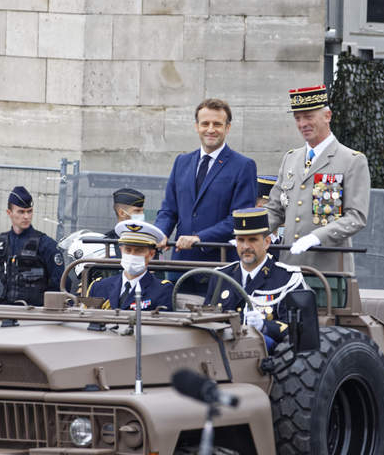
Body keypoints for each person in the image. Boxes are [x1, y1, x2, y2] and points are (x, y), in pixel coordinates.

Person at [265, 85, 370, 274]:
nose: (302, 124)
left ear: (327, 116)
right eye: (298, 118)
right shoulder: (291, 158)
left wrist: (316, 237)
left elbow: (356, 217)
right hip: (289, 265)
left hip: (327, 269)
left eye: (308, 117)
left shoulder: (351, 160)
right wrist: (248, 233)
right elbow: (275, 209)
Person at [155, 98, 257, 288]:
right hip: (180, 265)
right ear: (197, 127)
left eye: (217, 124)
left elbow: (238, 219)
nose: (211, 129)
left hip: (220, 266)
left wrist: (200, 238)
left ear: (228, 128)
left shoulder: (243, 166)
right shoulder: (182, 162)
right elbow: (169, 210)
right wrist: (160, 232)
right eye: (205, 124)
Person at [205, 208, 306, 348]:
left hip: (271, 360)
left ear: (267, 242)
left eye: (252, 240)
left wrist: (265, 326)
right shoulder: (221, 277)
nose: (246, 246)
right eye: (241, 240)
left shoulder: (288, 279)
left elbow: (299, 331)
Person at [0, 186, 64, 306]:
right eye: (21, 212)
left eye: (29, 211)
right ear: (9, 213)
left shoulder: (46, 245)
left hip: (33, 315)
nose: (26, 216)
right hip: (1, 313)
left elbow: (60, 283)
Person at [87, 220, 173, 311]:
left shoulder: (162, 290)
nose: (132, 255)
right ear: (121, 250)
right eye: (128, 250)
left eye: (139, 251)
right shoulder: (99, 287)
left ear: (151, 254)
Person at [104, 188, 146, 258]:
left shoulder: (148, 241)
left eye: (142, 211)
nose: (142, 214)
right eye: (137, 211)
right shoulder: (106, 243)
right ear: (122, 213)